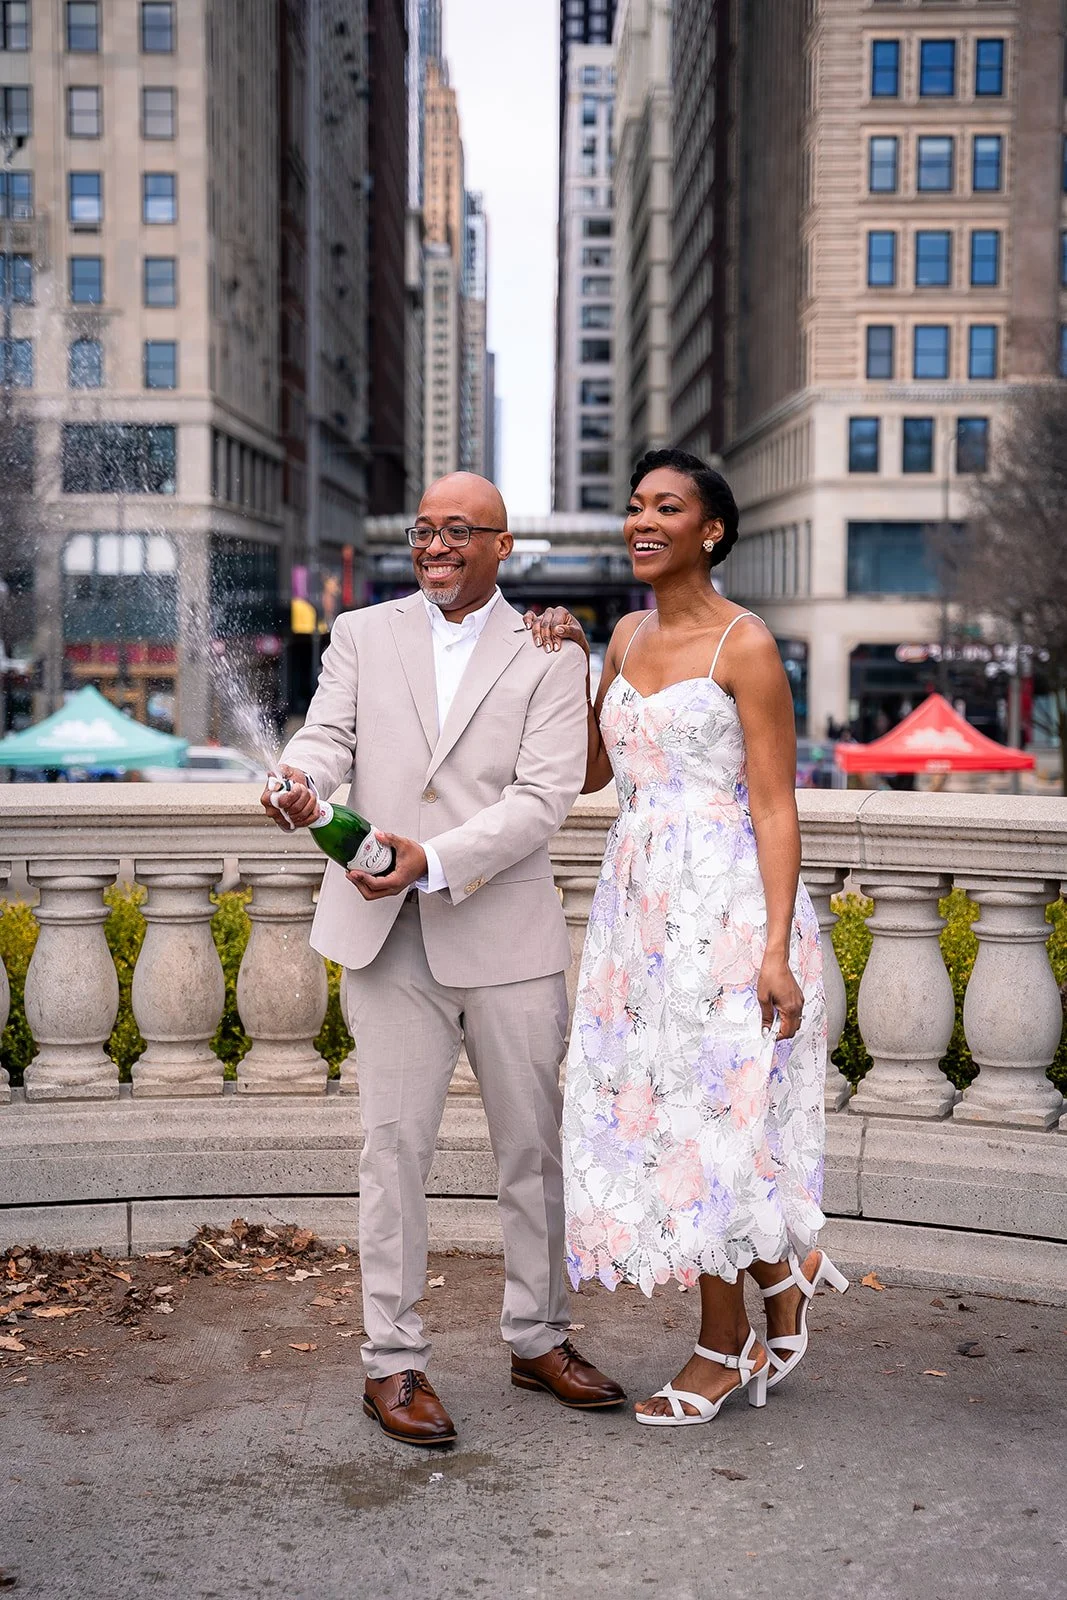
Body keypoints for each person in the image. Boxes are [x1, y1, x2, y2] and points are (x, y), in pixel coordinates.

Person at [262, 472, 625, 1448]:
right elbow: (326, 737)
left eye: (458, 530)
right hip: (386, 943)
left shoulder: (551, 650)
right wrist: (298, 777)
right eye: (423, 529)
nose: (434, 545)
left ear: (503, 545)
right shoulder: (359, 633)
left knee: (532, 1152)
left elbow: (546, 798)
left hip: (507, 936)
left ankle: (538, 1338)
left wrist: (430, 860)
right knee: (392, 1155)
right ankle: (391, 1361)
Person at [525, 447, 848, 1428]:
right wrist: (568, 661)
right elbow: (592, 772)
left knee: (710, 1124)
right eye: (634, 506)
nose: (642, 521)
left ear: (709, 530)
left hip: (726, 909)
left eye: (666, 507)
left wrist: (775, 953)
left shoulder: (744, 645)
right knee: (660, 1115)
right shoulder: (624, 635)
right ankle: (780, 1278)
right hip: (638, 914)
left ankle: (725, 1343)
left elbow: (775, 805)